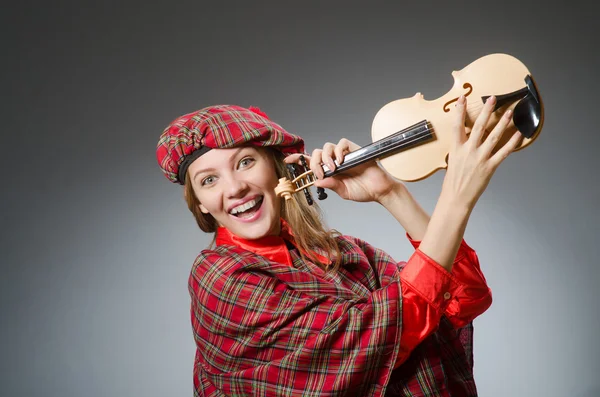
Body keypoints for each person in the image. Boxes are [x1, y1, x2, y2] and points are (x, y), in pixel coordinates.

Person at [156, 95, 521, 396]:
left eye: (246, 162)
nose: (234, 188)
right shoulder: (219, 278)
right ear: (201, 202)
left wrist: (390, 193)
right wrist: (456, 198)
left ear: (275, 168)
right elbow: (371, 338)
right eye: (209, 180)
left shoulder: (341, 252)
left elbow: (463, 296)